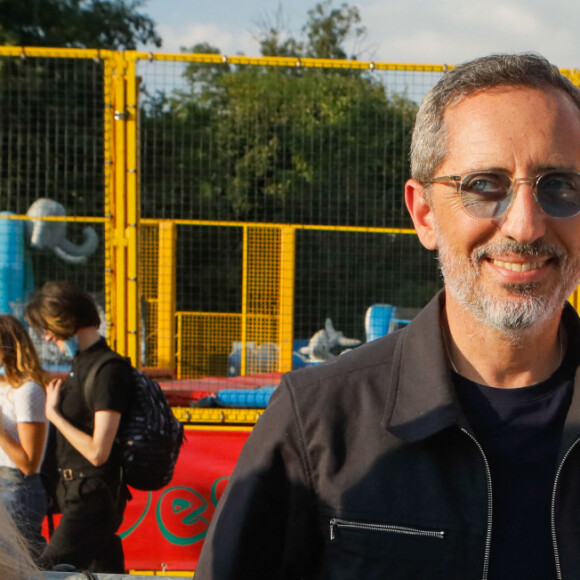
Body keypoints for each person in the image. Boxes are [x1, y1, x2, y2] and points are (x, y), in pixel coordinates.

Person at [195, 53, 580, 579]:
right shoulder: (317, 424)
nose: (526, 225)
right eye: (484, 186)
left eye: (558, 185)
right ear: (424, 214)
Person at [25, 281, 134, 573]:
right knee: (103, 571)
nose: (47, 338)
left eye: (48, 328)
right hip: (76, 493)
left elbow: (99, 451)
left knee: (47, 572)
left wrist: (54, 413)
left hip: (93, 497)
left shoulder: (107, 369)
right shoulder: (81, 365)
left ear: (66, 321)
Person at [0, 315, 48, 560]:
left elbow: (28, 463)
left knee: (21, 565)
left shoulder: (28, 390)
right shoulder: (3, 386)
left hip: (14, 488)